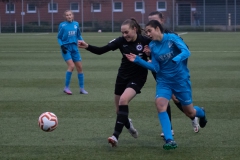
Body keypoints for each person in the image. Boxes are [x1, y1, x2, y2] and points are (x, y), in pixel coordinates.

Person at [125, 20, 208, 150]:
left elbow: (186, 52)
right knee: (160, 104)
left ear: (157, 29)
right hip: (164, 81)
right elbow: (156, 68)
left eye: (149, 31)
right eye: (146, 32)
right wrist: (138, 60)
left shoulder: (172, 38)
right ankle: (170, 140)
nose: (148, 34)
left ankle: (201, 113)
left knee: (190, 112)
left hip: (181, 81)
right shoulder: (152, 46)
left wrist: (177, 58)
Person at [78, 18, 152, 147]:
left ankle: (115, 136)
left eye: (126, 32)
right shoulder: (120, 41)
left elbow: (157, 54)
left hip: (138, 78)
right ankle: (129, 126)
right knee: (119, 111)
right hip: (122, 77)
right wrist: (87, 46)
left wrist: (150, 55)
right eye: (122, 32)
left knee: (123, 100)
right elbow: (102, 50)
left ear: (134, 29)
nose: (124, 35)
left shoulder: (146, 41)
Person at [147, 11, 200, 135]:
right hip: (159, 71)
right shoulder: (149, 37)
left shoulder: (171, 36)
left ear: (161, 21)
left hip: (175, 72)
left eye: (155, 20)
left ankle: (193, 115)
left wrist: (177, 64)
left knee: (176, 99)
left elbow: (185, 50)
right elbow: (148, 50)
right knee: (162, 100)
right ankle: (169, 129)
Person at [57, 10, 88, 95]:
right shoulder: (62, 25)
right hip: (66, 48)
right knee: (71, 66)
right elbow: (59, 37)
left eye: (70, 15)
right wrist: (62, 45)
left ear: (73, 16)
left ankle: (82, 89)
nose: (69, 16)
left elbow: (78, 35)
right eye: (67, 15)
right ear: (65, 17)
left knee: (80, 68)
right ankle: (66, 88)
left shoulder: (76, 24)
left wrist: (83, 41)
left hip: (74, 48)